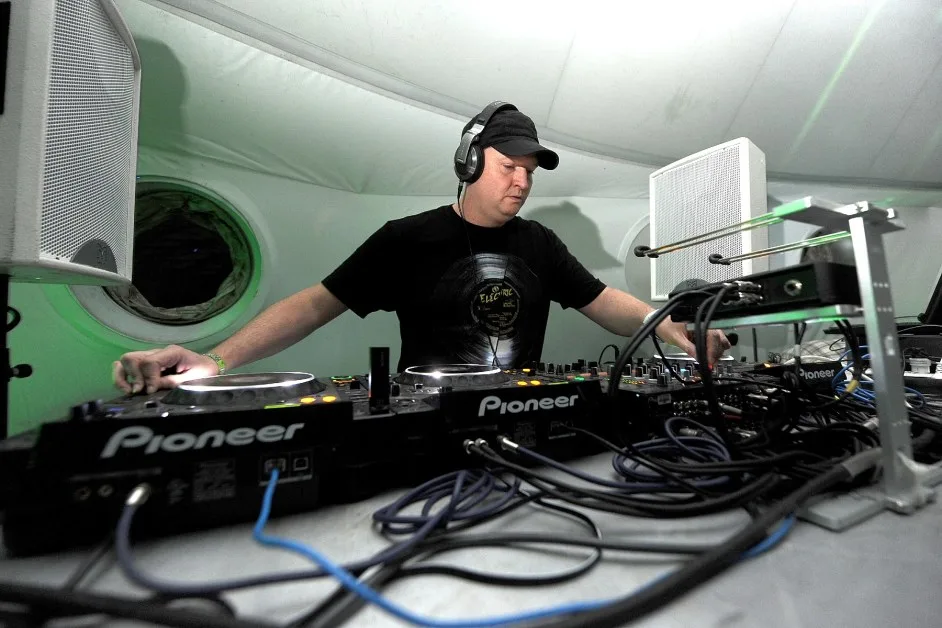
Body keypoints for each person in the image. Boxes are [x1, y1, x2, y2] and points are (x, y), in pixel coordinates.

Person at [113, 102, 729, 395]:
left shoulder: (540, 243)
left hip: (518, 414)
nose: (521, 182)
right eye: (509, 166)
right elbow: (314, 305)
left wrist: (670, 328)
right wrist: (214, 361)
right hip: (429, 415)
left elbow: (604, 302)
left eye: (530, 172)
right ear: (469, 163)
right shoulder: (407, 238)